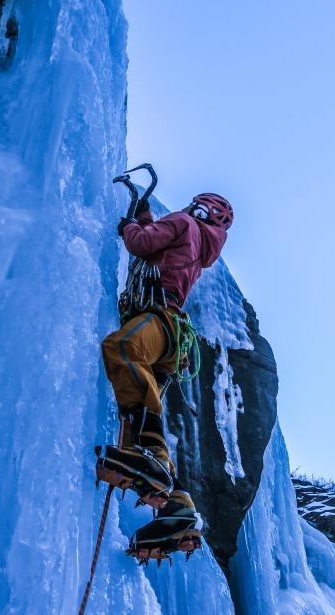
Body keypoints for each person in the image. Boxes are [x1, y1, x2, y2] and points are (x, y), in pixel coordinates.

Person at [98, 192, 234, 561]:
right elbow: (159, 244)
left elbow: (143, 244)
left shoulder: (184, 222)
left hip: (158, 320)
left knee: (122, 349)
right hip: (172, 340)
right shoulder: (198, 242)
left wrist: (130, 226)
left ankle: (151, 457)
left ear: (200, 209)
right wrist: (143, 216)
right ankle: (178, 509)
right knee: (137, 410)